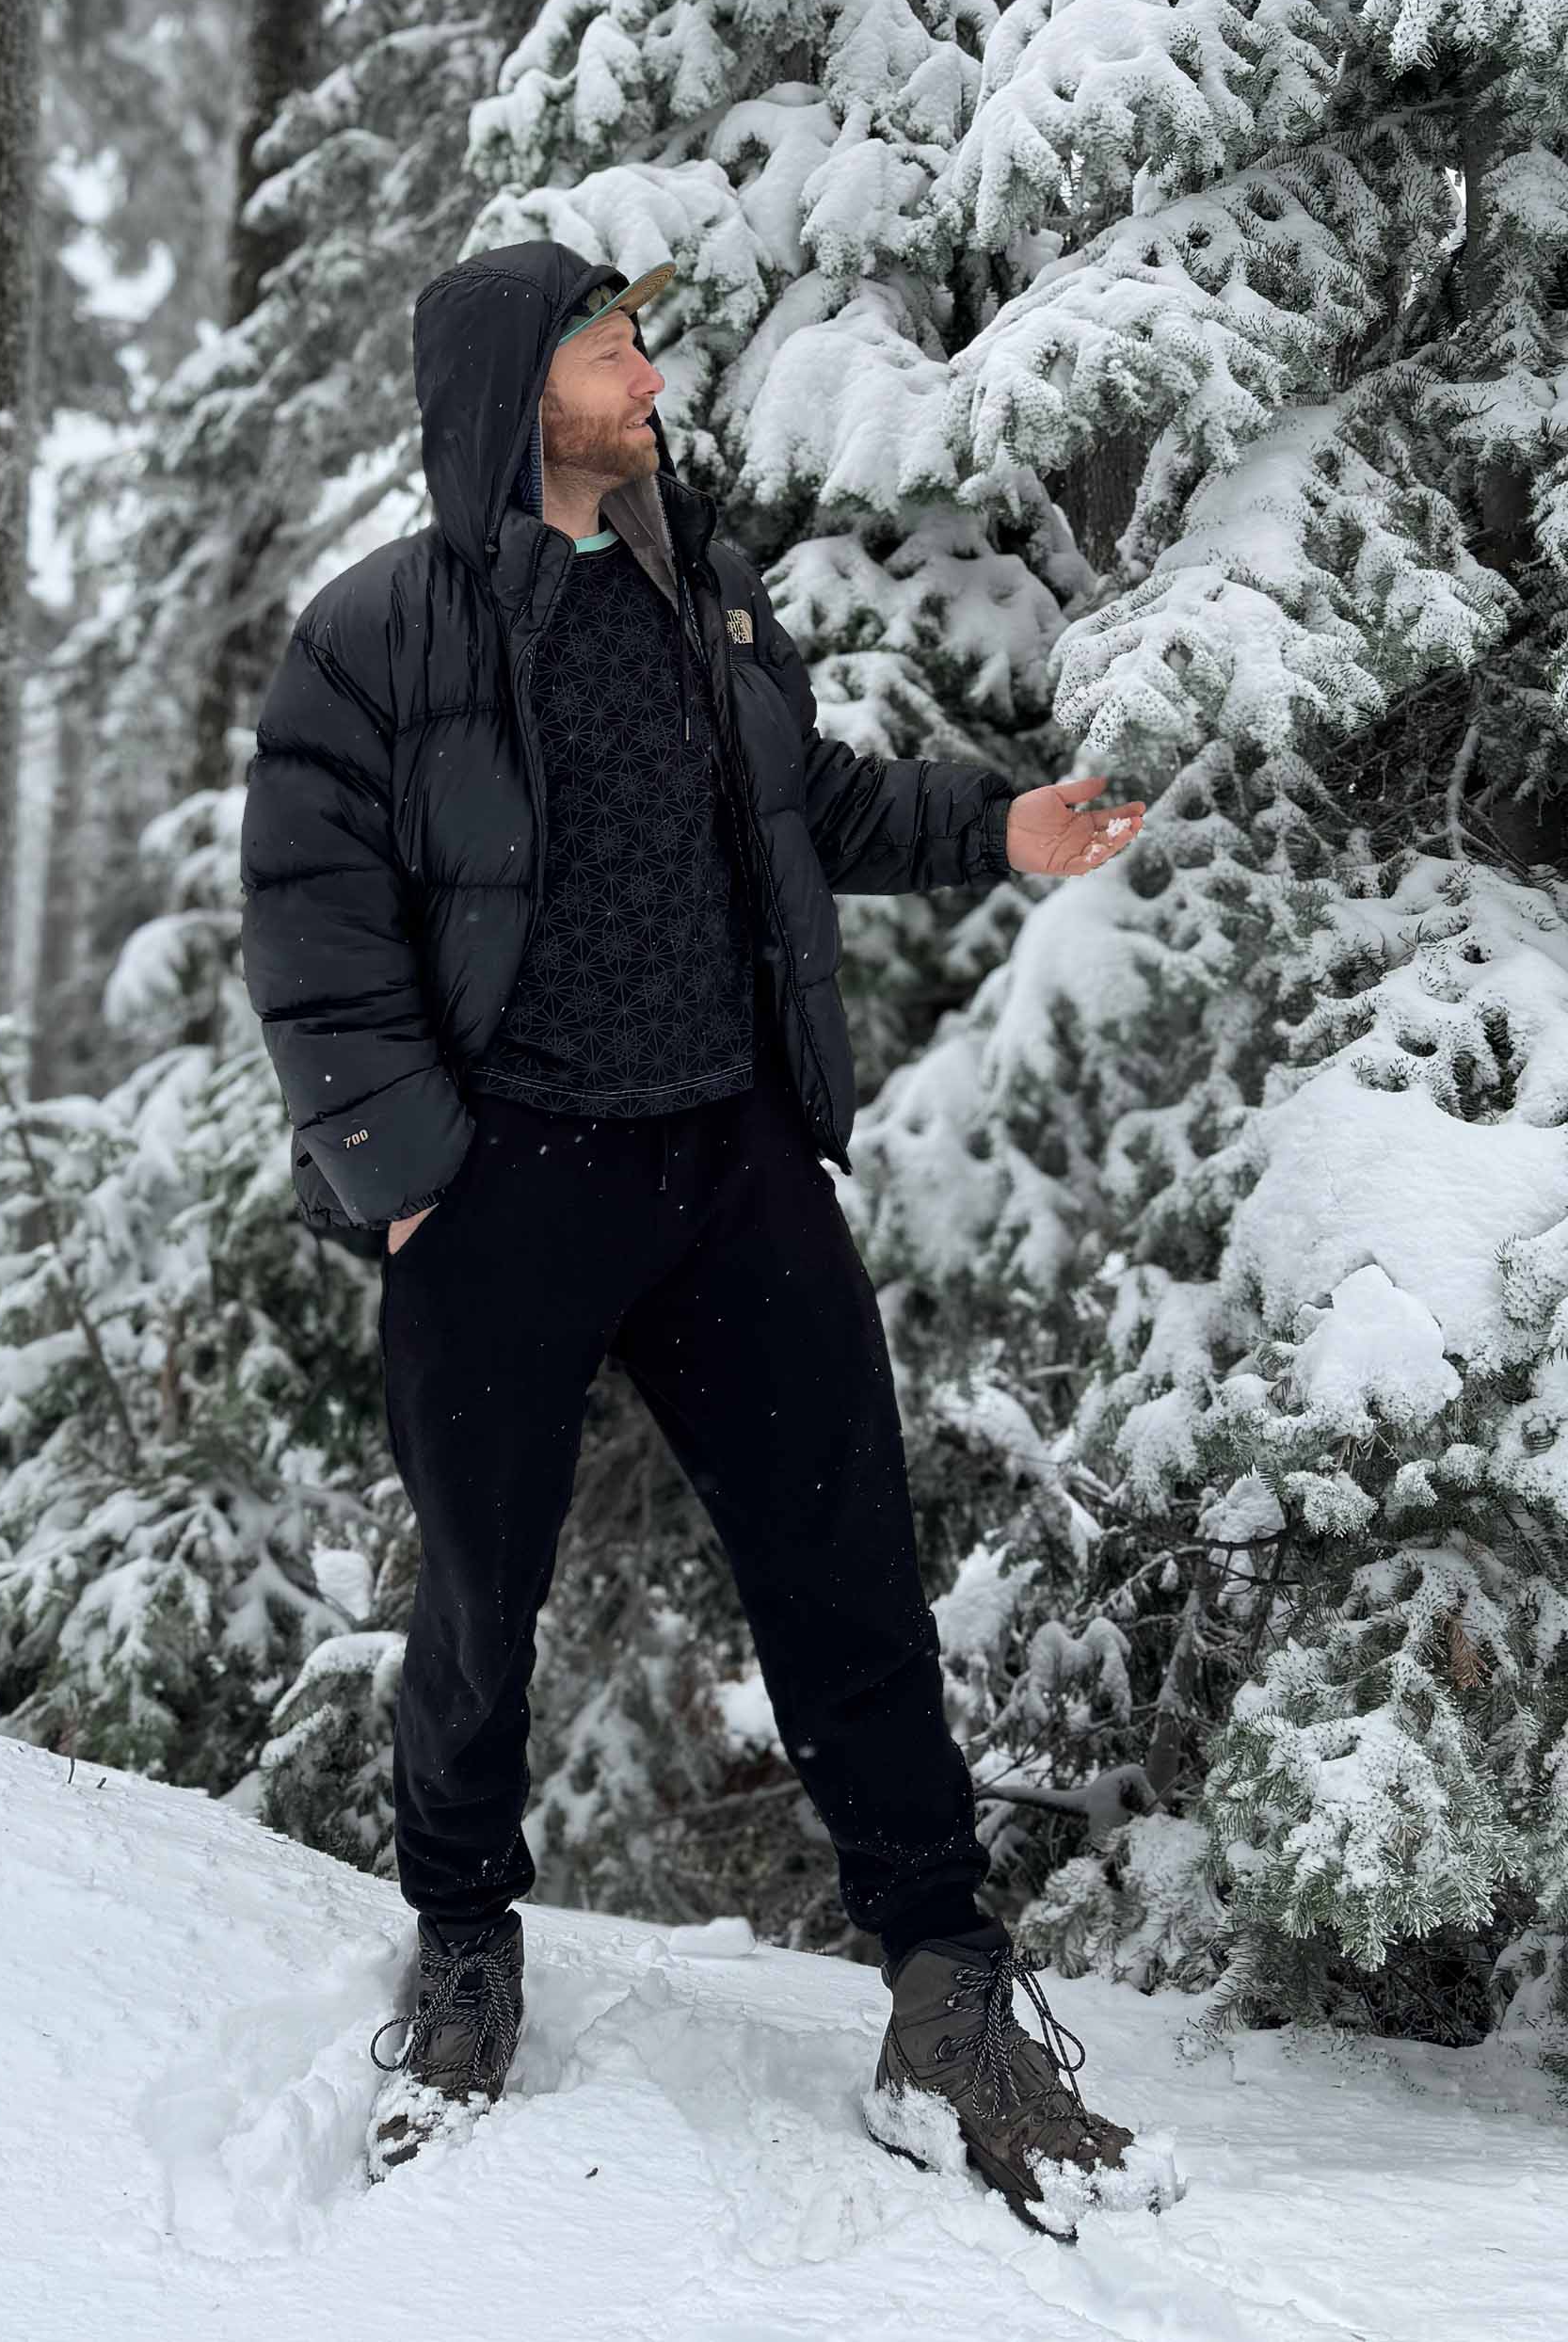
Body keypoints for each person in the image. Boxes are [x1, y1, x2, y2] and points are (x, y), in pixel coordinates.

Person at [238, 241, 1148, 2227]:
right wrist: (409, 1175)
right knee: (481, 1592)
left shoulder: (701, 591)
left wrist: (997, 829)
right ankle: (464, 1937)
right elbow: (310, 920)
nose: (646, 366)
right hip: (509, 1183)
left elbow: (795, 804)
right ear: (510, 386)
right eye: (605, 341)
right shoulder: (376, 636)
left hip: (727, 1163)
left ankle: (943, 1972)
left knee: (845, 1563)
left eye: (643, 335)